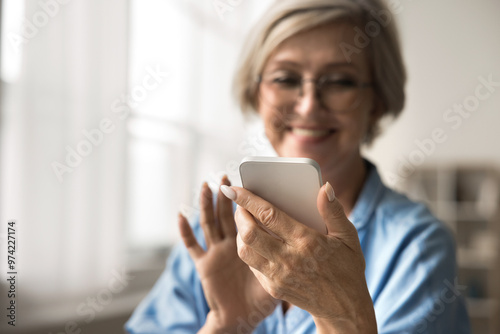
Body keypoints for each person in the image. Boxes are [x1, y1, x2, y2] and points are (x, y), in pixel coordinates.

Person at [126, 0, 471, 333]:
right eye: (286, 79)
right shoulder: (215, 234)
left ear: (377, 102)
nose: (308, 107)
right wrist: (224, 326)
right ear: (255, 92)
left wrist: (341, 317)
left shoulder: (415, 248)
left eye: (339, 81)